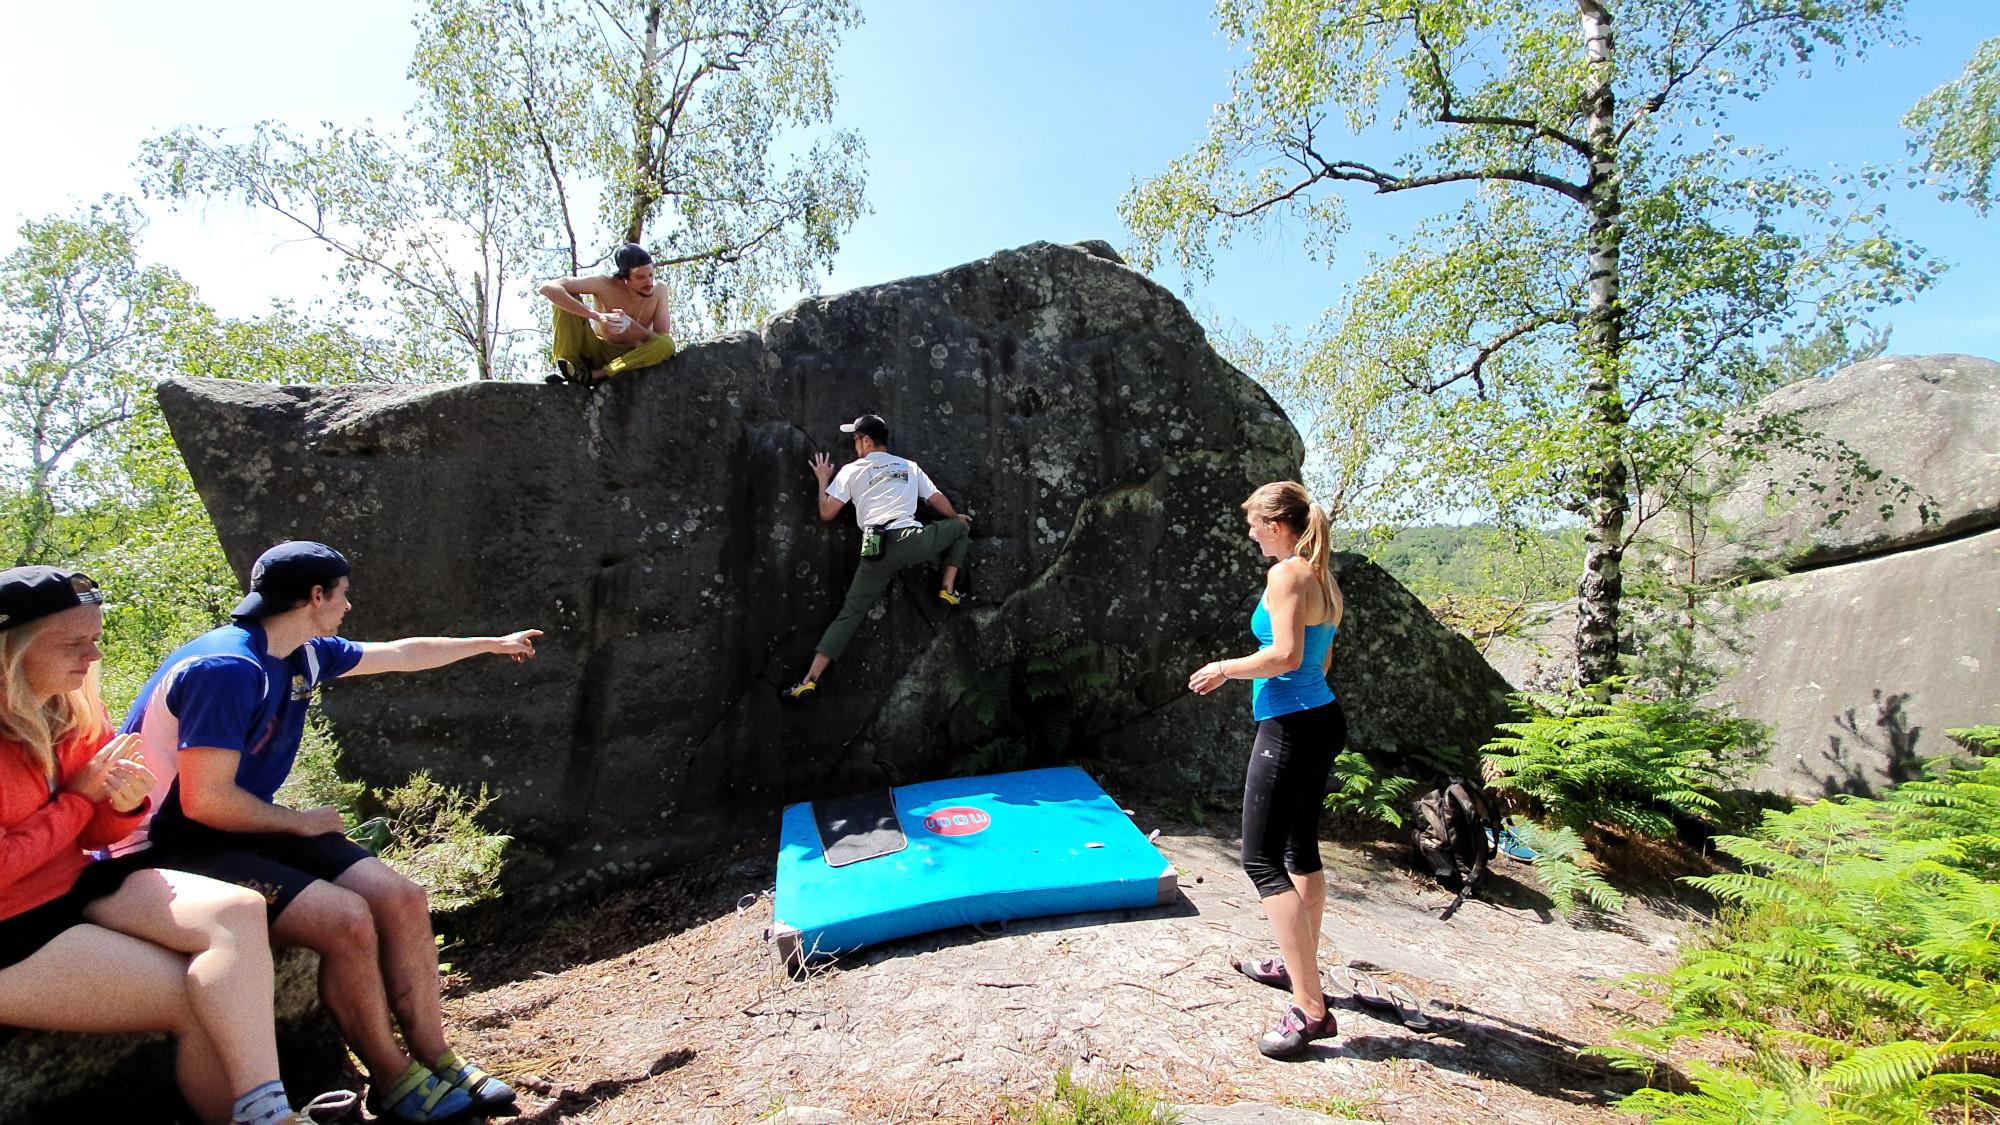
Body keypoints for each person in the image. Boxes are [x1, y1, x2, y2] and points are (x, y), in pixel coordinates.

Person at [117, 542, 542, 1123]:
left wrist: (489, 644)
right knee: (346, 919)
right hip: (173, 845)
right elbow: (205, 803)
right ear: (315, 596)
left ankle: (438, 1058)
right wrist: (304, 821)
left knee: (401, 897)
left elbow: (399, 653)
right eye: (342, 592)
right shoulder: (228, 669)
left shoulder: (302, 652)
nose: (348, 604)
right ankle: (394, 1081)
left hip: (240, 824)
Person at [0, 565, 333, 1125]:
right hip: (12, 929)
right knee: (199, 1002)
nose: (93, 658)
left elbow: (99, 833)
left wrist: (122, 804)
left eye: (96, 639)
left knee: (238, 909)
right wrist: (82, 801)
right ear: (11, 650)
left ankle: (269, 1111)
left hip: (76, 883)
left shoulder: (72, 706)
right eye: (73, 643)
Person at [1187, 481, 1347, 1059]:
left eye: (1255, 524)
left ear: (1276, 525)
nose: (1251, 533)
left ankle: (1309, 1008)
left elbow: (1286, 657)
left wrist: (1224, 668)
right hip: (1323, 718)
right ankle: (1299, 967)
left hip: (1292, 727)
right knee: (1301, 850)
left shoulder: (1286, 575)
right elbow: (1323, 659)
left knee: (1259, 858)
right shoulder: (1322, 575)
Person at [783, 413, 972, 700]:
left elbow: (827, 513)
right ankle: (947, 587)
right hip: (913, 541)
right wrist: (955, 518)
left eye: (856, 439)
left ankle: (810, 678)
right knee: (960, 528)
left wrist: (823, 479)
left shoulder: (850, 470)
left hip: (875, 549)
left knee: (850, 613)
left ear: (867, 440)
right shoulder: (909, 467)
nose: (854, 445)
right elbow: (937, 500)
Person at [537, 243, 676, 385]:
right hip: (596, 351)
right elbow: (548, 288)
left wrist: (630, 325)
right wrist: (596, 316)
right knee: (565, 298)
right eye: (640, 277)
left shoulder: (659, 291)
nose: (649, 282)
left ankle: (598, 375)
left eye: (651, 275)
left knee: (666, 344)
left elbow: (661, 341)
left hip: (630, 360)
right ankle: (571, 368)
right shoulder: (604, 284)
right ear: (624, 278)